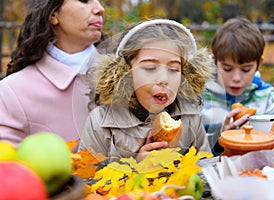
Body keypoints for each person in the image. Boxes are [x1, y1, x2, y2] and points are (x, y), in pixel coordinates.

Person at [79, 19, 213, 162]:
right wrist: (137, 170)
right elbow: (86, 181)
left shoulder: (190, 118)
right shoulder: (100, 124)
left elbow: (206, 171)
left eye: (174, 69)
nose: (164, 79)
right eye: (150, 68)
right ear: (125, 73)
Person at [0, 0, 105, 150]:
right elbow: (7, 167)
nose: (100, 9)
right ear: (53, 14)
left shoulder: (130, 77)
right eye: (84, 0)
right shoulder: (13, 92)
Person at [201, 17, 274, 156]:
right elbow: (192, 154)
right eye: (227, 69)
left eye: (245, 70)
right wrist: (222, 141)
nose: (236, 78)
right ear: (214, 61)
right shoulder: (200, 97)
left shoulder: (268, 97)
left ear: (259, 64)